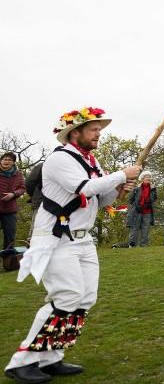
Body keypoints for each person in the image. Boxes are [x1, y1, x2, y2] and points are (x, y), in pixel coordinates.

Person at [5, 107, 140, 383]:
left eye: (99, 129)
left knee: (85, 298)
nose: (98, 133)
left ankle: (52, 355)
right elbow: (85, 188)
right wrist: (120, 174)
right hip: (56, 238)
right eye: (94, 129)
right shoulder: (59, 159)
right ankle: (22, 361)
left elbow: (98, 201)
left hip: (83, 238)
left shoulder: (92, 162)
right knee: (66, 296)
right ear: (74, 133)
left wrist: (117, 190)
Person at [0, 152, 26, 249]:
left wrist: (13, 194)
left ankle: (8, 262)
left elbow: (22, 188)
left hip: (10, 210)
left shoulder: (18, 174)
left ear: (13, 162)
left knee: (10, 236)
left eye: (10, 160)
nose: (7, 161)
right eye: (5, 159)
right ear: (1, 161)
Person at [126, 172, 156, 247]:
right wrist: (137, 206)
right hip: (137, 212)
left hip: (147, 212)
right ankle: (132, 245)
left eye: (149, 177)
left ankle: (144, 245)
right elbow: (130, 199)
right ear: (142, 179)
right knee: (134, 229)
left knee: (146, 229)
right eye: (147, 177)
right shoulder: (136, 188)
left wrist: (153, 190)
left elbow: (154, 199)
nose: (148, 178)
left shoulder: (153, 188)